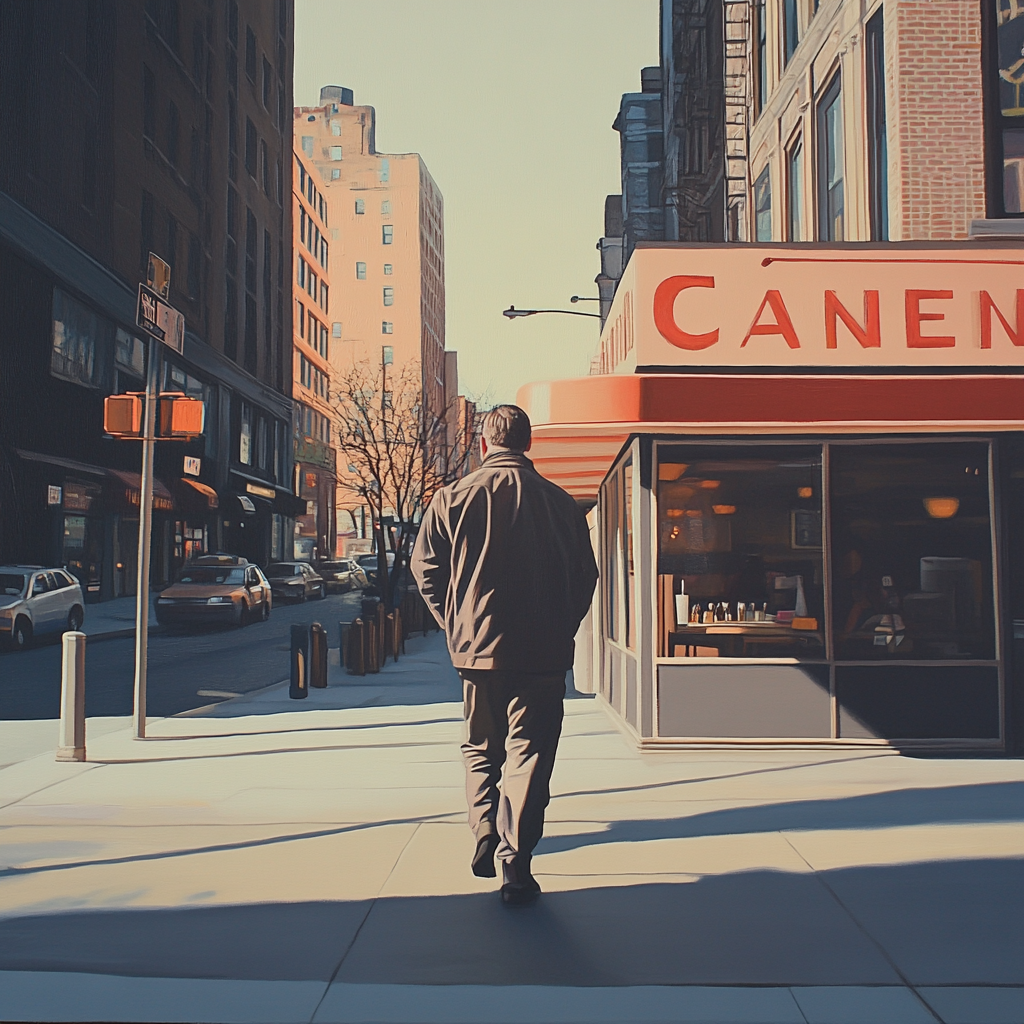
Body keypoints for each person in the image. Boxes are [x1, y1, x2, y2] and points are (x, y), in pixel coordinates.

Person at [411, 404, 598, 906]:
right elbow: (587, 576)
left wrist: (456, 623)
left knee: (480, 746)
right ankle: (516, 860)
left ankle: (483, 828)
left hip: (478, 649)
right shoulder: (562, 504)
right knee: (530, 755)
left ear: (483, 444)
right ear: (528, 443)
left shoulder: (452, 497)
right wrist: (564, 623)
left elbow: (425, 569)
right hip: (543, 651)